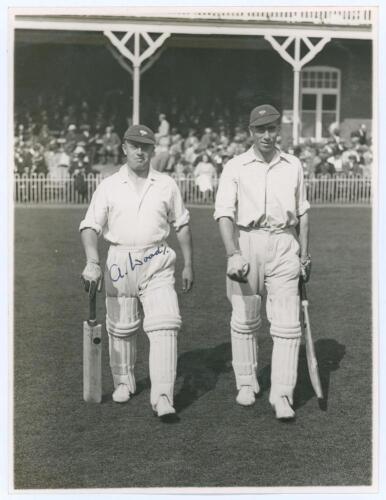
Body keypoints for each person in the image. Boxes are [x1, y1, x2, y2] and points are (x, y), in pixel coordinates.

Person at [79, 124, 194, 419]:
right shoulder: (108, 186)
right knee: (121, 327)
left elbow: (181, 225)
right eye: (134, 145)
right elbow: (90, 227)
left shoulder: (166, 184)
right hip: (119, 260)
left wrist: (189, 264)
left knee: (166, 324)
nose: (140, 151)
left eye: (145, 146)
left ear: (153, 150)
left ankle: (164, 395)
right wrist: (93, 261)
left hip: (157, 257)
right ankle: (123, 382)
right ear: (124, 149)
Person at [214, 104, 311, 420]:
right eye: (261, 129)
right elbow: (224, 214)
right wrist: (233, 254)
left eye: (272, 129)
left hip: (284, 244)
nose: (267, 135)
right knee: (245, 318)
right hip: (247, 242)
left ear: (279, 130)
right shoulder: (236, 166)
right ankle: (246, 382)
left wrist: (304, 255)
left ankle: (282, 393)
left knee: (287, 324)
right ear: (250, 132)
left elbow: (303, 213)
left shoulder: (293, 164)